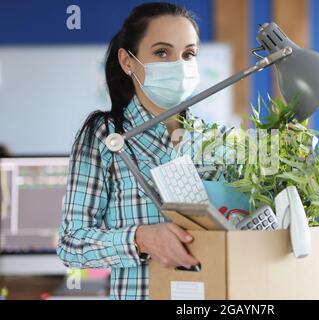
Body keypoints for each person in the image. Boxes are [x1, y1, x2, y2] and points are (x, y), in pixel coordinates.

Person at [56, 2, 227, 300]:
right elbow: (71, 245)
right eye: (162, 52)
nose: (179, 65)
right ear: (128, 61)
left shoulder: (214, 139)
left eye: (188, 54)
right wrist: (141, 239)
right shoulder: (104, 136)